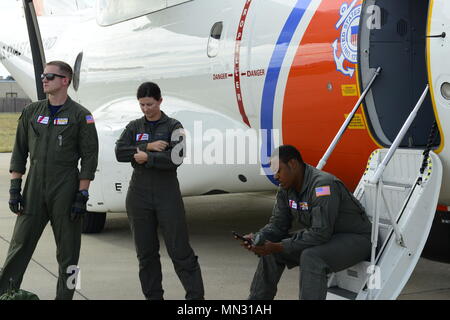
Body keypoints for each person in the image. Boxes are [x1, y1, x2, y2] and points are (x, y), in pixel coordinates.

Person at [0, 61, 99, 300]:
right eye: (43, 75)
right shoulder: (32, 112)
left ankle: (65, 297)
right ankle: (5, 293)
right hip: (34, 186)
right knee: (18, 246)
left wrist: (82, 194)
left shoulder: (81, 116)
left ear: (65, 81)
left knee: (69, 253)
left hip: (66, 187)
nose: (44, 79)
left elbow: (89, 158)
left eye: (50, 76)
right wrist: (15, 188)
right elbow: (19, 151)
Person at [239, 145, 372, 300]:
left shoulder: (322, 186)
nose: (275, 176)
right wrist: (258, 238)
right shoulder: (285, 188)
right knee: (272, 251)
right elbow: (278, 225)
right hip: (328, 237)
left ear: (293, 164)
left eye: (278, 170)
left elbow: (320, 233)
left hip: (355, 239)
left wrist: (279, 246)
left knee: (312, 257)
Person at [115, 82, 204, 300]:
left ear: (160, 101)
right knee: (146, 254)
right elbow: (119, 151)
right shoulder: (135, 126)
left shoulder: (175, 126)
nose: (146, 109)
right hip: (139, 194)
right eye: (142, 105)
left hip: (167, 194)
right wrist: (149, 146)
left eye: (150, 104)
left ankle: (196, 299)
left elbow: (176, 158)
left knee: (180, 251)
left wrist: (148, 158)